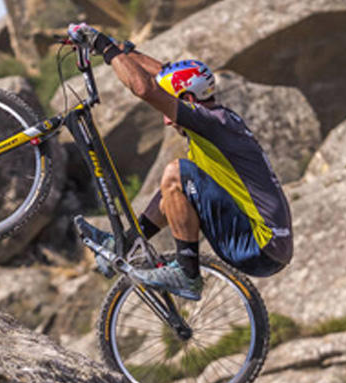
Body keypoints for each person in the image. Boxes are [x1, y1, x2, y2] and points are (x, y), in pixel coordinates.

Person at [67, 22, 292, 301]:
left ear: (187, 99)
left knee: (176, 174)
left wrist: (103, 45)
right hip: (270, 245)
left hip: (259, 245)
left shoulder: (207, 121)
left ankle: (187, 275)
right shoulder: (218, 118)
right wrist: (124, 51)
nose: (165, 119)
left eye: (170, 107)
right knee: (171, 193)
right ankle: (123, 245)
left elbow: (145, 88)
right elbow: (165, 75)